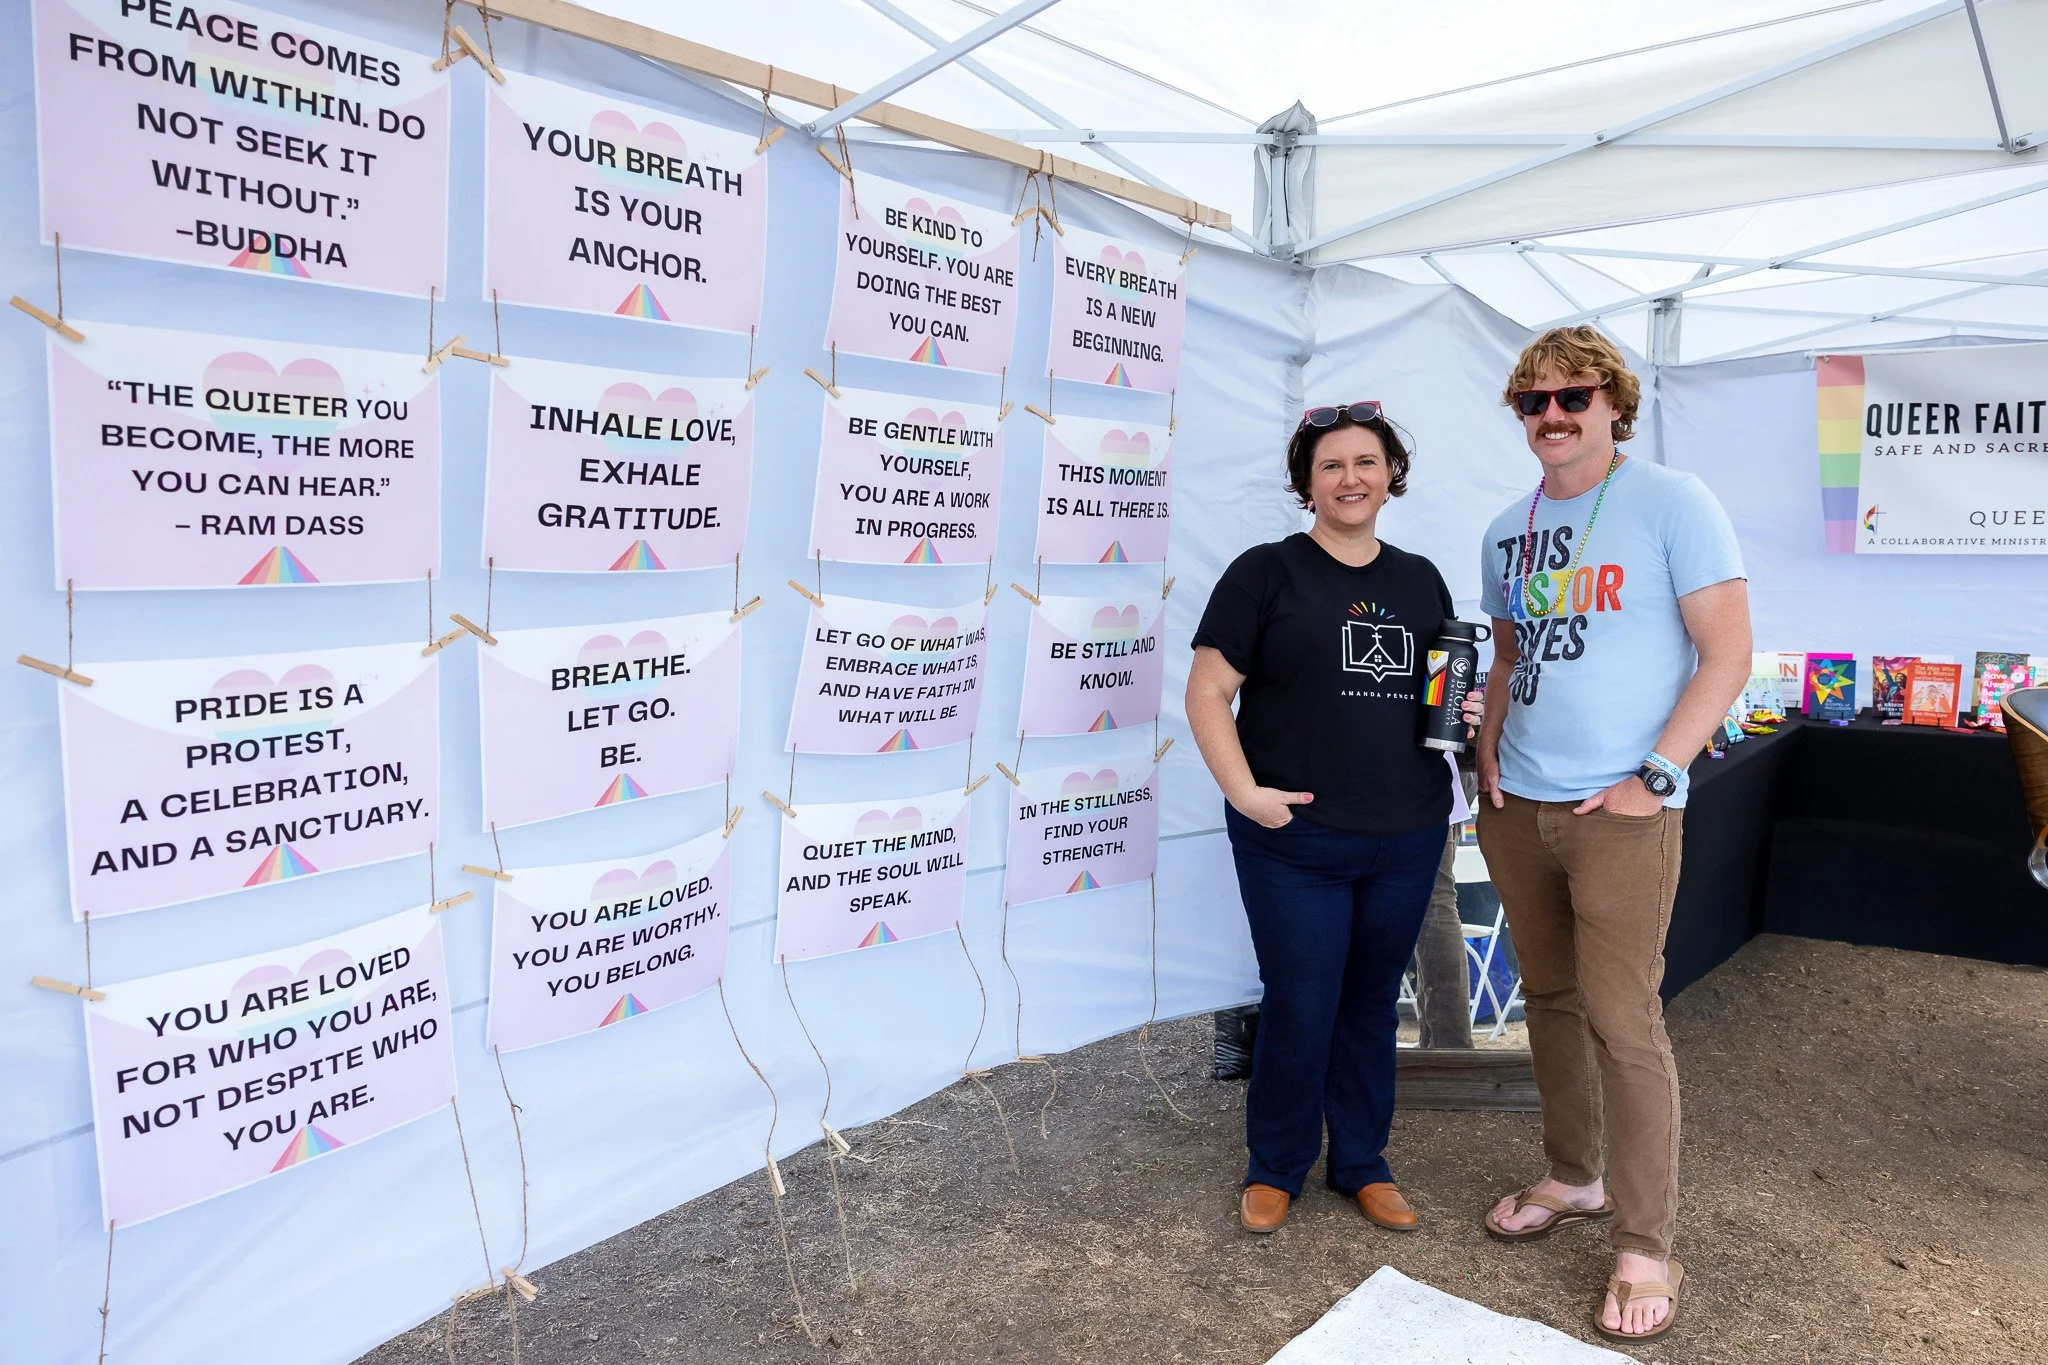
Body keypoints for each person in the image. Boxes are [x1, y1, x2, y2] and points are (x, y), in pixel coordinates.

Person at [1472, 327, 1751, 1345]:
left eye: (1571, 397)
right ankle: (1571, 1175)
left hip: (1618, 813)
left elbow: (1725, 654)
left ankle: (1644, 1241)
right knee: (1546, 1002)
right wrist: (1486, 755)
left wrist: (1656, 777)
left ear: (1611, 404)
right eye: (1532, 402)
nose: (1551, 416)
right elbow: (1506, 660)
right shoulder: (1505, 529)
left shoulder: (1671, 501)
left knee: (1623, 1022)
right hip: (1517, 809)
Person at [1187, 401, 1483, 1235]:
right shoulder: (1265, 572)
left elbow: (1435, 698)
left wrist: (1464, 709)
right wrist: (1246, 793)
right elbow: (1208, 691)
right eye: (1330, 466)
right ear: (1305, 484)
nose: (1349, 478)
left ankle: (1361, 1162)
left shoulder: (1420, 578)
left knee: (1368, 1004)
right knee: (1301, 998)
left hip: (1406, 831)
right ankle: (1276, 1164)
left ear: (1391, 474)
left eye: (1365, 462)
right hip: (1295, 840)